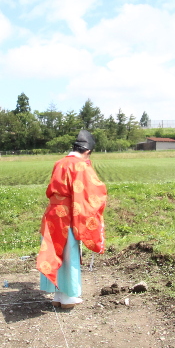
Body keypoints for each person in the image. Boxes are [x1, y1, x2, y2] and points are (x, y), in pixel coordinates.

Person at [36, 129, 107, 310]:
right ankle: (68, 297)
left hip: (52, 214)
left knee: (55, 252)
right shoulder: (81, 166)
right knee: (69, 254)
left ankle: (58, 294)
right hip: (67, 215)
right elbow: (91, 192)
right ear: (88, 151)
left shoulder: (59, 163)